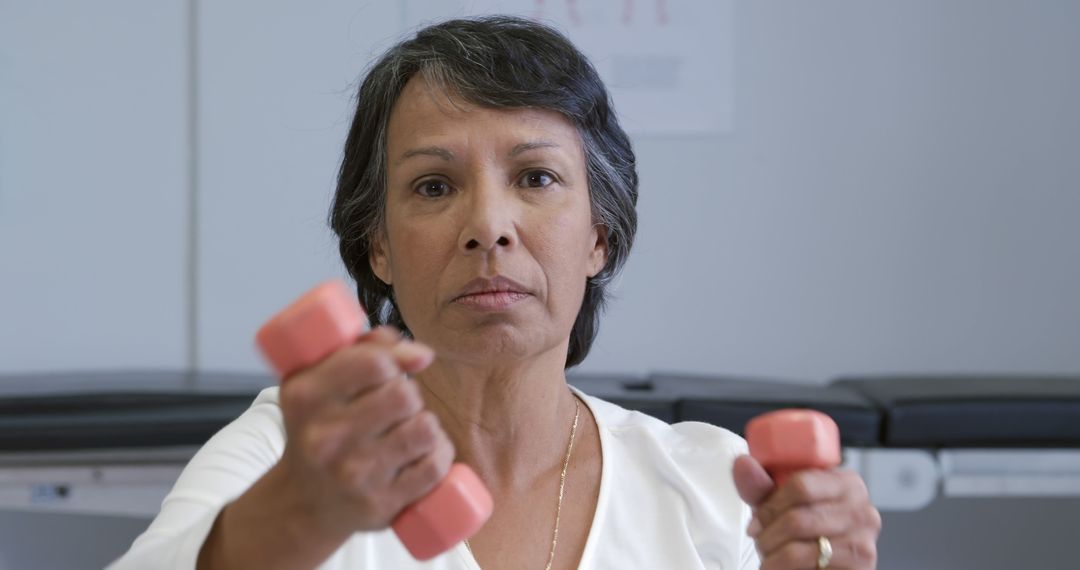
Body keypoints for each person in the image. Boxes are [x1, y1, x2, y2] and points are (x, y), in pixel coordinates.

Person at [110, 16, 880, 570]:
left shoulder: (722, 489)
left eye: (536, 178)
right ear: (377, 244)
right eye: (434, 185)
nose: (487, 226)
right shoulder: (291, 453)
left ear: (598, 237)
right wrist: (301, 513)